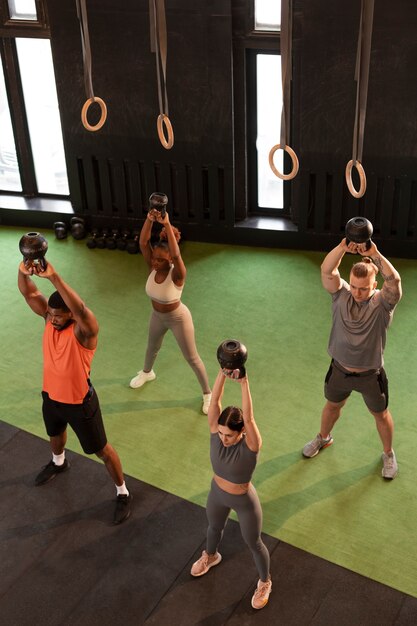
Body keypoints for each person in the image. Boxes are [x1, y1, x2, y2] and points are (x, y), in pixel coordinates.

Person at [18, 258, 132, 524]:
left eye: (59, 315)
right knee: (54, 434)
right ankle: (59, 462)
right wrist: (22, 271)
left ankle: (123, 492)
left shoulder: (84, 333)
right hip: (51, 398)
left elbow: (81, 309)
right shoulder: (49, 318)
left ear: (70, 314)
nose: (53, 319)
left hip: (80, 403)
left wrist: (54, 276)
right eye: (51, 315)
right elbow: (29, 293)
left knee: (102, 450)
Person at [302, 238, 402, 479]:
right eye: (355, 286)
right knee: (332, 406)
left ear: (374, 285)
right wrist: (342, 248)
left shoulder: (382, 304)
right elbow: (328, 270)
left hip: (370, 375)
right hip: (339, 371)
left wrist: (375, 253)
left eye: (364, 288)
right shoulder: (341, 295)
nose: (358, 292)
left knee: (381, 415)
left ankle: (388, 454)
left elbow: (394, 280)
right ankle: (323, 438)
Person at [190, 367, 272, 610]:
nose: (223, 438)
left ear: (241, 432)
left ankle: (265, 582)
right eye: (222, 433)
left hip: (244, 501)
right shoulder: (216, 433)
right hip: (217, 494)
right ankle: (211, 556)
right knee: (214, 528)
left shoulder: (251, 446)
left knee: (254, 543)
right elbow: (214, 400)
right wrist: (221, 373)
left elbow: (249, 418)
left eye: (229, 435)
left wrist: (244, 381)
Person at [129, 197, 212, 414]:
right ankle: (147, 372)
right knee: (152, 347)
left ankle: (208, 394)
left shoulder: (178, 274)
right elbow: (143, 243)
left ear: (170, 261)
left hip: (177, 317)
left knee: (192, 357)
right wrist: (150, 218)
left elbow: (176, 254)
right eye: (154, 258)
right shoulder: (153, 266)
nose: (154, 262)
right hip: (157, 315)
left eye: (160, 260)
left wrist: (166, 223)